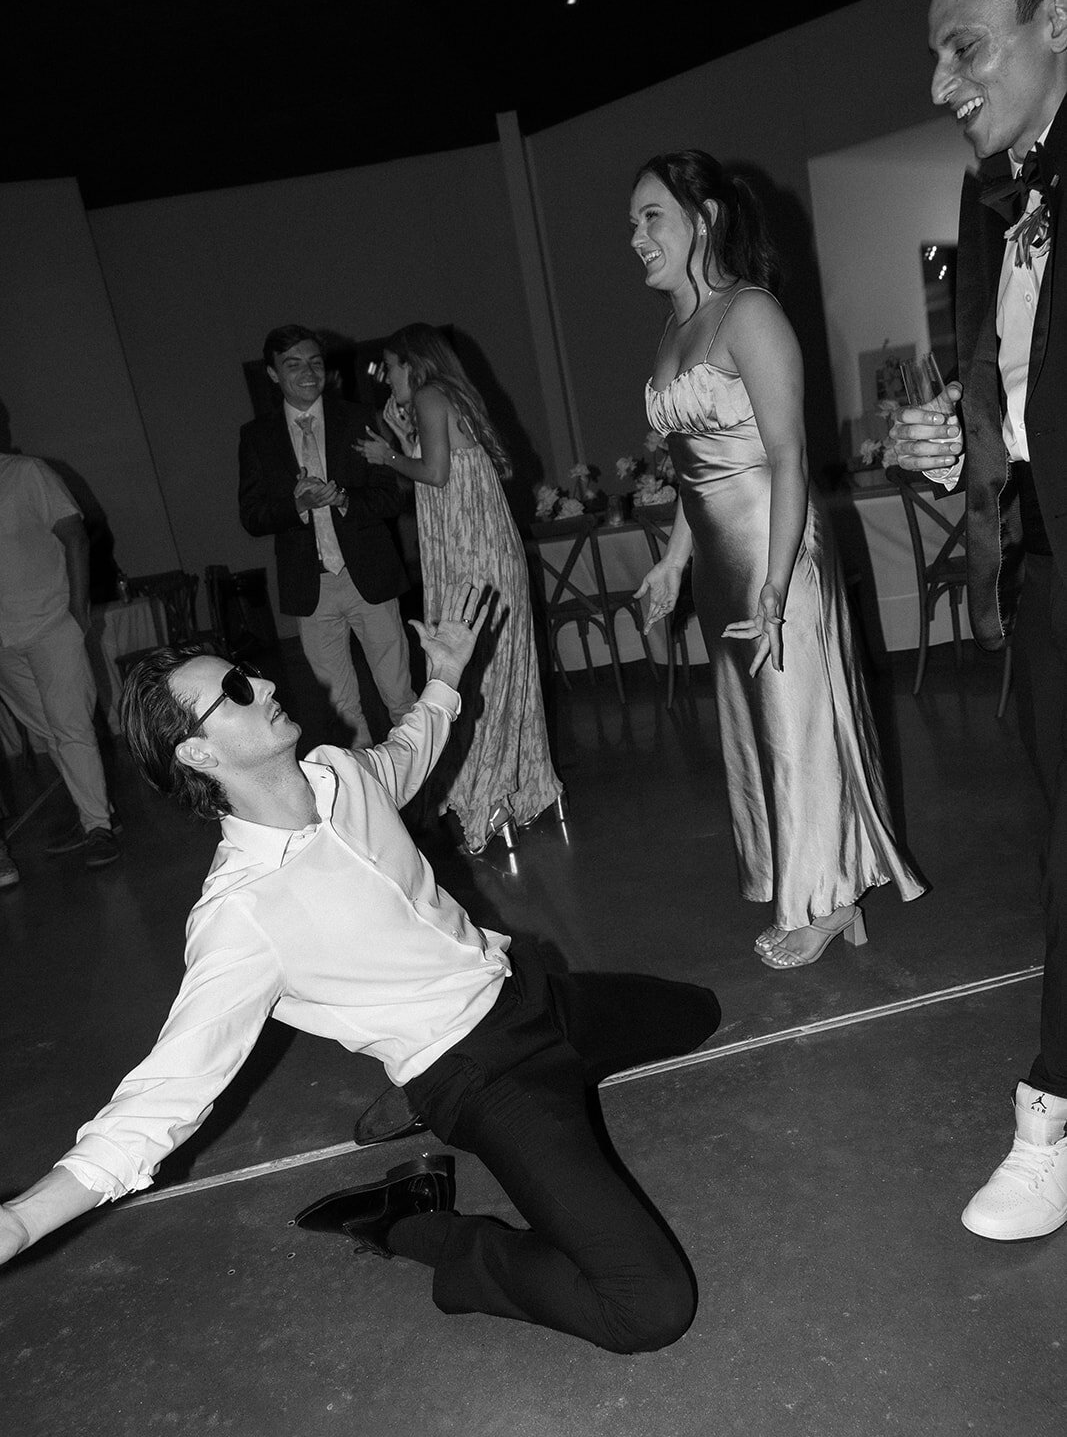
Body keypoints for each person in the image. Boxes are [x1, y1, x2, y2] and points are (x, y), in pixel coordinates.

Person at [0, 586, 721, 1353]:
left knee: (698, 1012)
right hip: (482, 1077)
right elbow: (170, 1089)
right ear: (198, 753)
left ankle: (427, 1102)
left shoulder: (338, 772)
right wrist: (20, 1218)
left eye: (249, 672)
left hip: (533, 995)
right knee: (647, 1309)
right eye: (238, 693)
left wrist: (443, 677)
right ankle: (424, 1231)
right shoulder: (240, 915)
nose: (268, 684)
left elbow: (406, 754)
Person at [630, 150, 924, 969]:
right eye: (632, 223)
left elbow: (788, 454)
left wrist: (774, 578)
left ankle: (823, 899)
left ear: (706, 217)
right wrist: (672, 562)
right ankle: (796, 870)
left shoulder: (748, 314)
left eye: (651, 216)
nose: (636, 236)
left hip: (778, 546)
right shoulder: (673, 329)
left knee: (796, 719)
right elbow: (694, 466)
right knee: (756, 722)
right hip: (721, 556)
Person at [891, 0, 1067, 1240]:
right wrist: (950, 449)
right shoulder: (985, 200)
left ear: (1054, 18)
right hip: (1041, 574)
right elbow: (1010, 404)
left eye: (967, 47)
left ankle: (1049, 1111)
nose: (945, 82)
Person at [356, 324, 562, 854]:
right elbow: (443, 468)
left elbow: (439, 474)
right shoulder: (445, 395)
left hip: (472, 555)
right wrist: (403, 442)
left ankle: (488, 798)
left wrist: (388, 458)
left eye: (391, 365)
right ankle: (515, 790)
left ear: (414, 363)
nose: (388, 377)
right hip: (485, 549)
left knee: (474, 675)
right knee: (496, 672)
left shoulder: (429, 393)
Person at [239, 325, 415, 749]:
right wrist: (296, 505)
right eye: (293, 364)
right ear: (272, 373)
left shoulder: (355, 418)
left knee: (400, 699)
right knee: (341, 712)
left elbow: (389, 498)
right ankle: (367, 802)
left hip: (368, 576)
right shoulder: (257, 437)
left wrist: (342, 499)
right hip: (310, 588)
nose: (307, 372)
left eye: (315, 362)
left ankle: (434, 794)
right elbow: (252, 515)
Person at [0, 450, 119, 869]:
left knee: (70, 726)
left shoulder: (26, 474)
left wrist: (78, 610)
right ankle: (94, 811)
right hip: (3, 643)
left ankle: (97, 826)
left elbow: (75, 535)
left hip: (52, 625)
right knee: (50, 732)